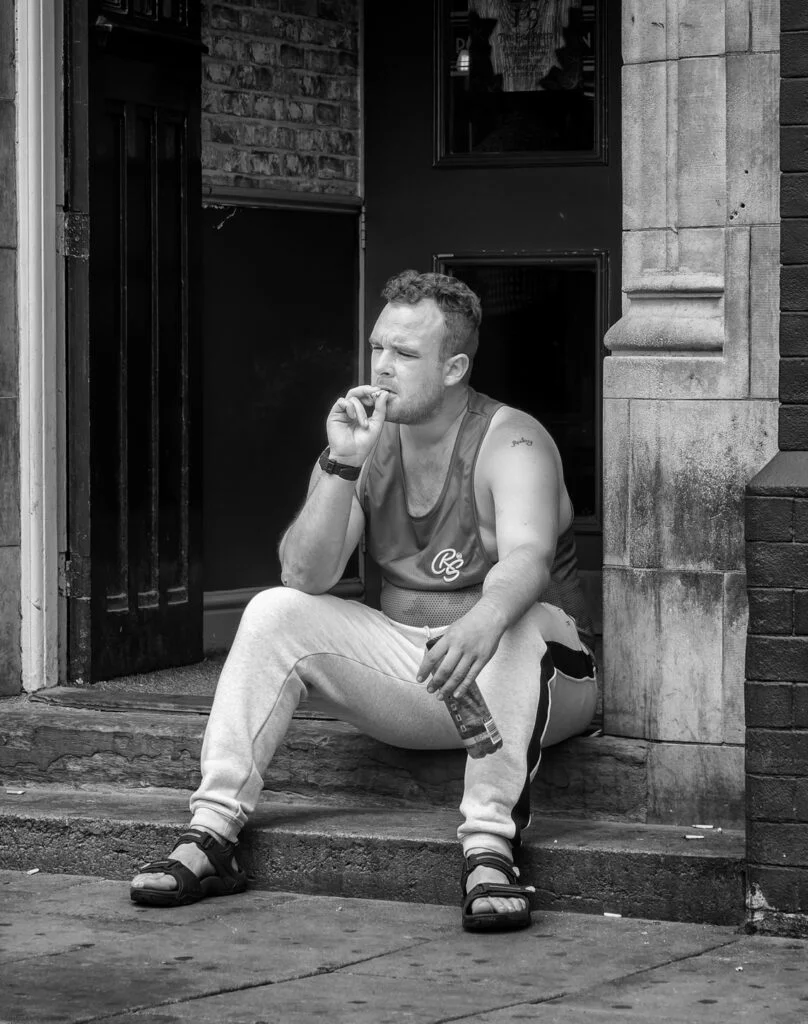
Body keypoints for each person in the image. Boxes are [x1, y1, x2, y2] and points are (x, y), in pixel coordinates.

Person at [130, 270, 597, 932]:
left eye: (405, 354)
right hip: (424, 681)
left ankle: (491, 847)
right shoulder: (366, 440)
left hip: (537, 676)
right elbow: (303, 574)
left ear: (456, 366)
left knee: (516, 618)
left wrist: (482, 622)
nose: (382, 367)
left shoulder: (513, 440)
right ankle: (213, 834)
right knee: (272, 611)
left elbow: (528, 558)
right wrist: (342, 465)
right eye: (379, 347)